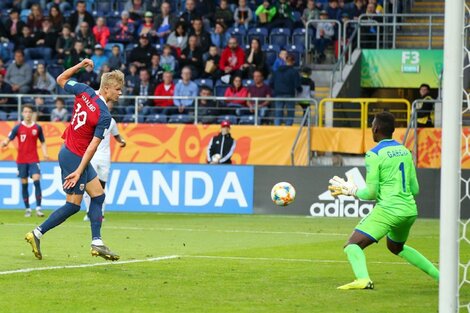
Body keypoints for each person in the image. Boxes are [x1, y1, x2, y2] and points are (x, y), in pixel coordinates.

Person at [24, 59, 124, 261]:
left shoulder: (85, 91)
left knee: (98, 196)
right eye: (117, 89)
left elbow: (61, 78)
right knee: (73, 205)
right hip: (75, 156)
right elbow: (93, 146)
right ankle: (36, 233)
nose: (120, 93)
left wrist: (80, 64)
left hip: (69, 151)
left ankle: (97, 242)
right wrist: (79, 170)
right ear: (106, 89)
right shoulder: (104, 115)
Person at [328, 111, 440, 290]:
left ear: (376, 128)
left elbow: (370, 193)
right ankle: (440, 277)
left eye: (372, 125)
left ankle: (363, 279)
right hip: (409, 210)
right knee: (396, 247)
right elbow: (415, 189)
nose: (371, 128)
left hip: (389, 210)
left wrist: (351, 190)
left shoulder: (374, 154)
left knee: (352, 246)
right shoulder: (404, 151)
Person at [1, 105, 49, 217]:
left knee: (36, 180)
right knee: (24, 184)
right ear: (23, 113)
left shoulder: (37, 128)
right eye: (25, 112)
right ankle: (27, 208)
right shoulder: (18, 127)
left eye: (29, 112)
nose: (27, 114)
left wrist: (45, 153)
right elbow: (9, 138)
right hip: (21, 160)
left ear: (32, 114)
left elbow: (42, 141)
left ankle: (38, 208)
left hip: (34, 159)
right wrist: (5, 143)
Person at [83, 104, 126, 221]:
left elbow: (116, 135)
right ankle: (88, 212)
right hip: (91, 156)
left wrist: (122, 141)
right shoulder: (91, 119)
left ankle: (100, 214)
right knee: (89, 185)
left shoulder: (111, 121)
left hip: (105, 157)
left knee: (101, 187)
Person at [270, 54, 301, 126]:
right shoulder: (294, 72)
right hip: (289, 94)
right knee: (290, 112)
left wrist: (276, 89)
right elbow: (297, 85)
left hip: (278, 94)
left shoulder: (277, 71)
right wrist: (300, 90)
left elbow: (271, 83)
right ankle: (288, 127)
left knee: (278, 113)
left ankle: (277, 128)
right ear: (293, 61)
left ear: (285, 61)